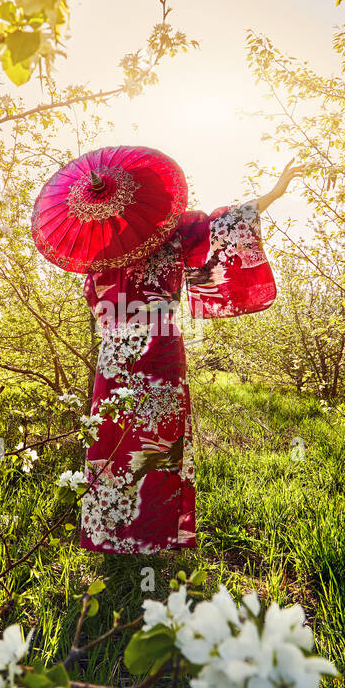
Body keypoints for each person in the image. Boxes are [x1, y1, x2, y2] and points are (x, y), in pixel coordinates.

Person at [79, 159, 306, 553]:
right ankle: (134, 534)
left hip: (126, 353)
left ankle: (132, 534)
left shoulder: (139, 237)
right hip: (146, 348)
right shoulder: (127, 241)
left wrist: (272, 194)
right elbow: (223, 230)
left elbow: (223, 225)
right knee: (128, 441)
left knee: (146, 442)